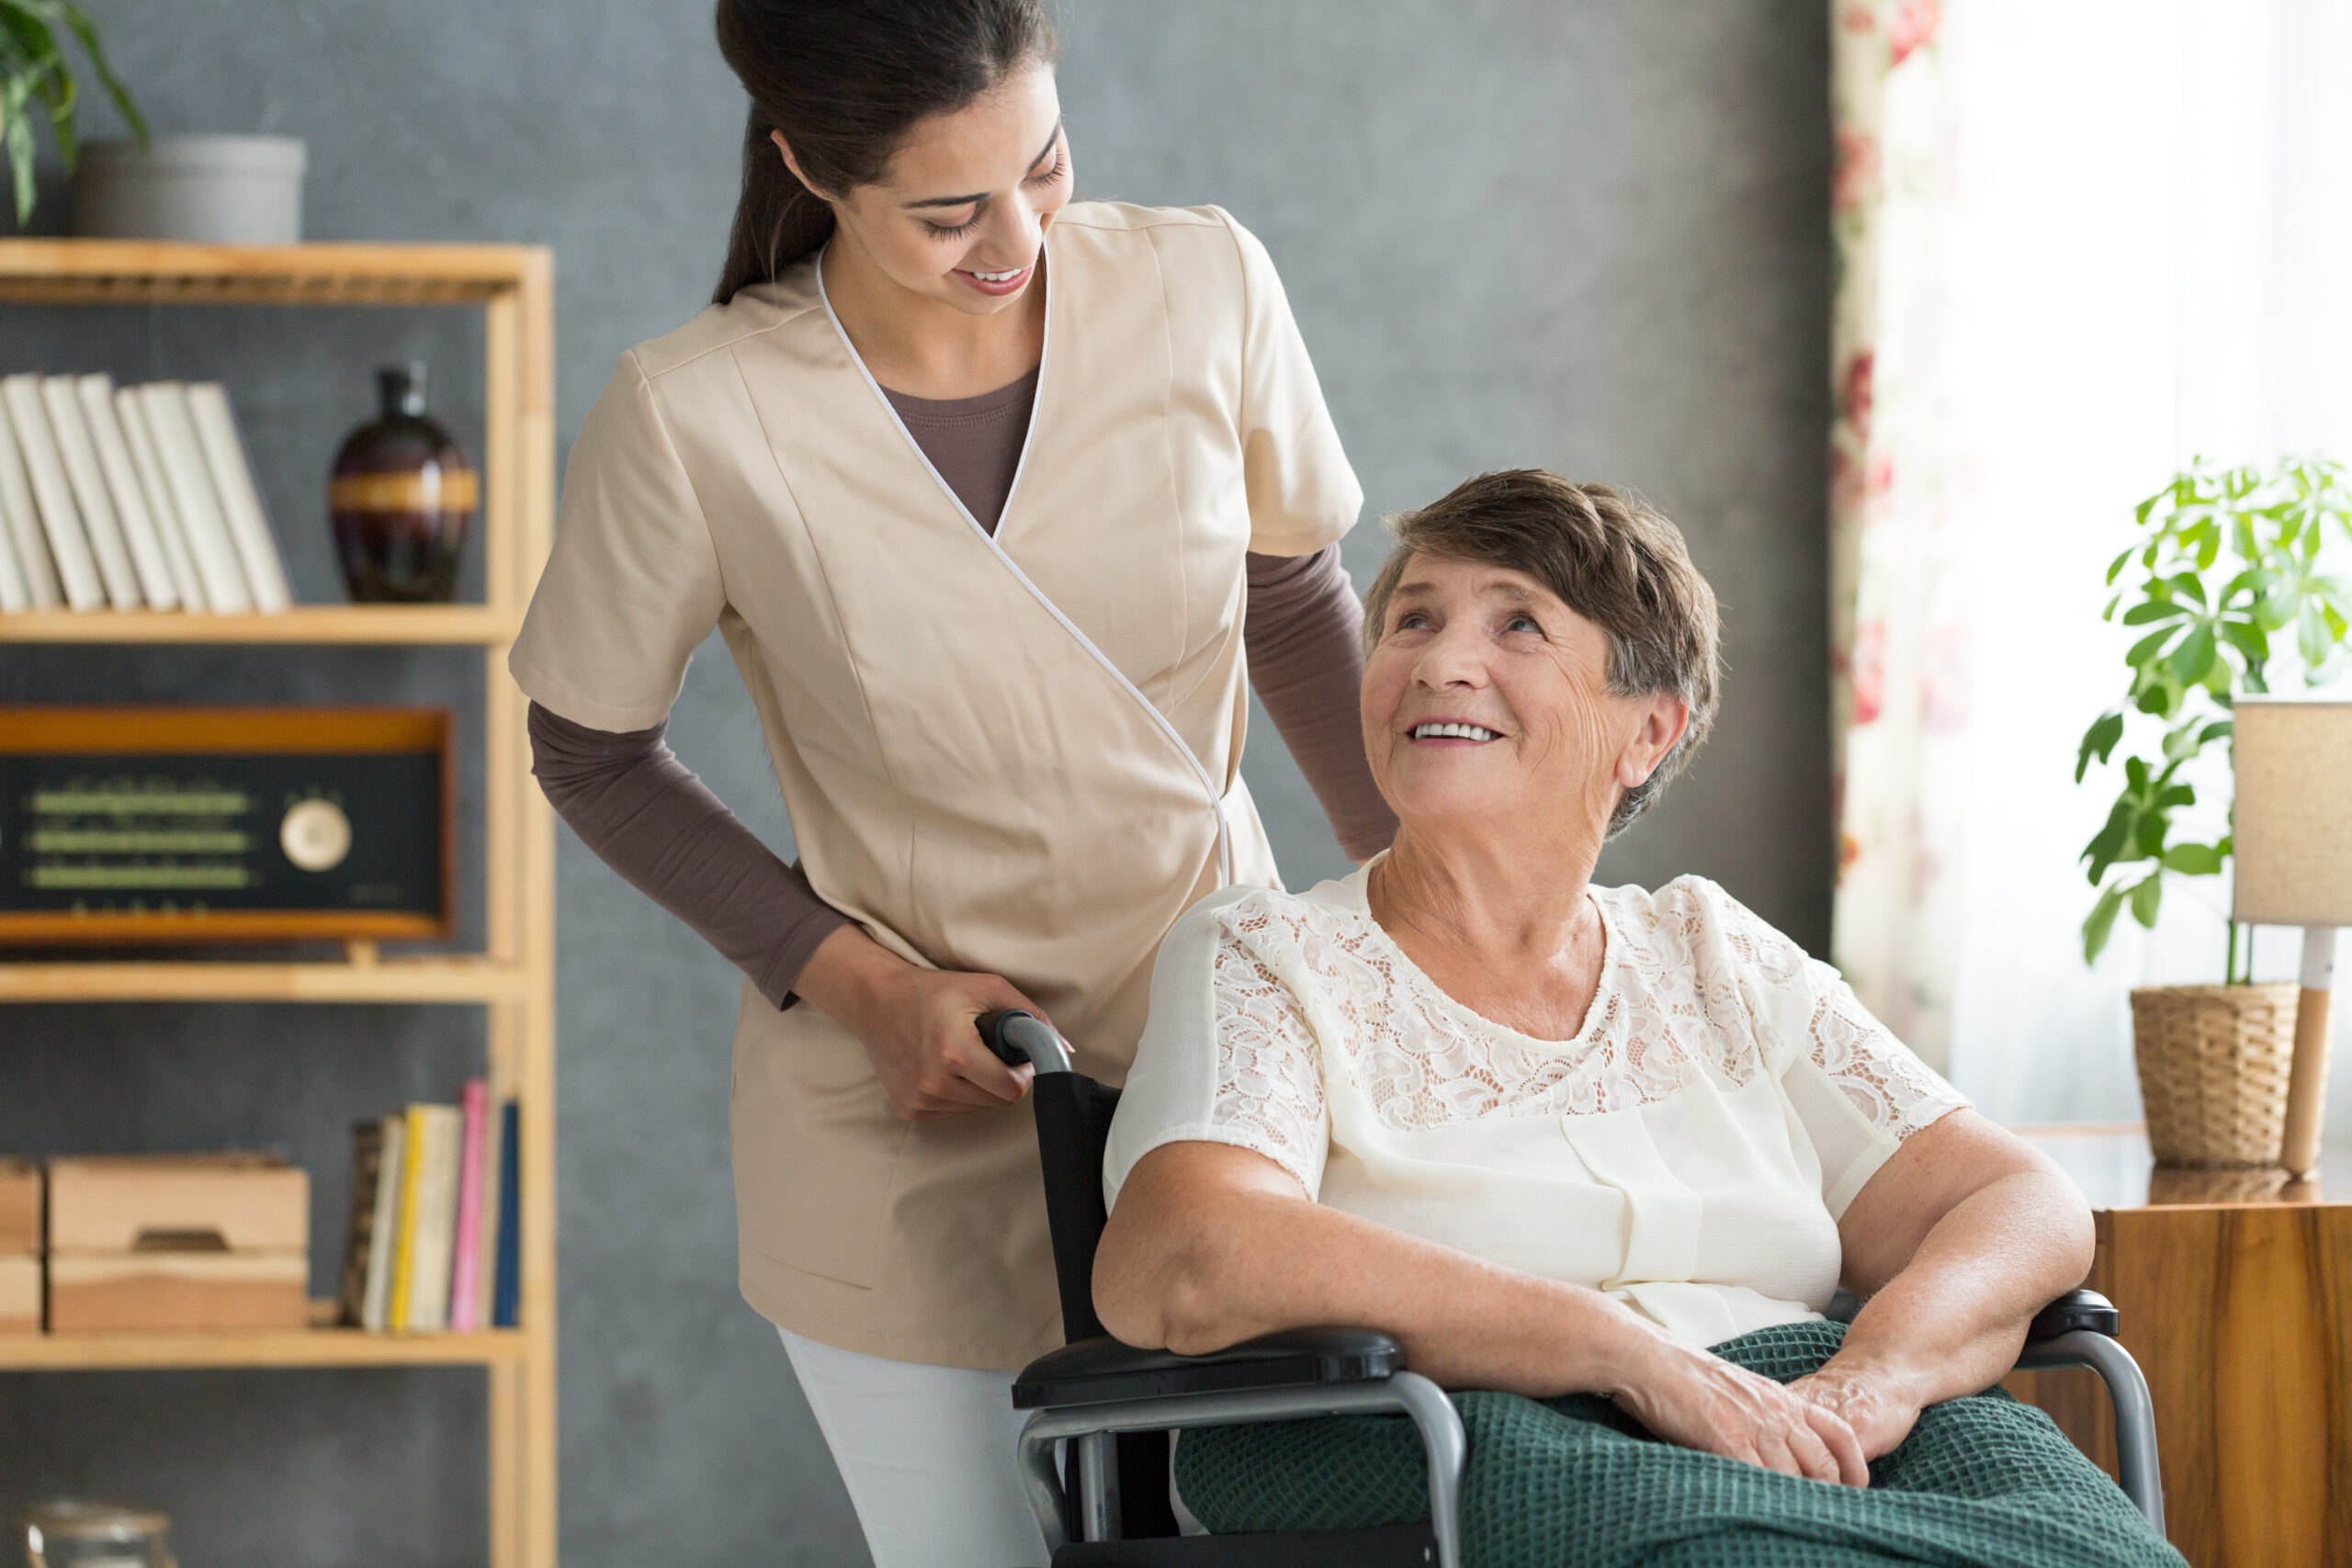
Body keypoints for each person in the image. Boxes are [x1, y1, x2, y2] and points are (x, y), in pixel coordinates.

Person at [508, 2, 1393, 1562]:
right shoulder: (697, 410)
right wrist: (857, 988)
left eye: (1043, 166)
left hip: (1230, 1069)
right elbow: (588, 748)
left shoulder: (1202, 284)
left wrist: (1429, 909)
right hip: (910, 1119)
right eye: (946, 210)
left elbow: (1290, 596)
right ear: (810, 168)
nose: (1017, 238)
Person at [1096, 472, 2177, 1563]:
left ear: (1646, 732)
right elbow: (1183, 1256)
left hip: (1798, 1415)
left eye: (1518, 623)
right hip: (1446, 1433)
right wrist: (1625, 1354)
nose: (1437, 659)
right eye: (1412, 619)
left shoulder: (1712, 953)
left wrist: (1876, 1376)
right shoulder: (1267, 954)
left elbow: (2015, 1201)